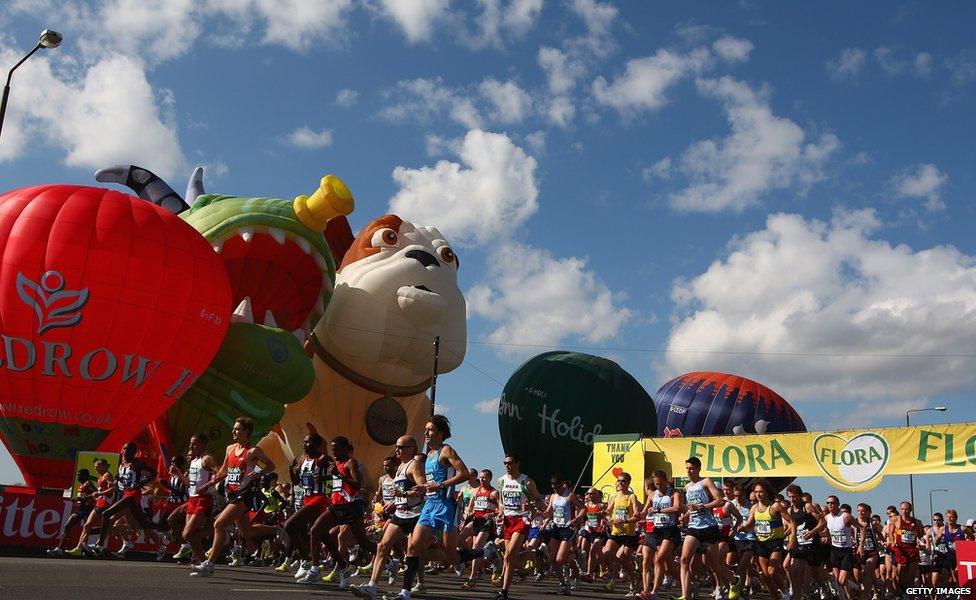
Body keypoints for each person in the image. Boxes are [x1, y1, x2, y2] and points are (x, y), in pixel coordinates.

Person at [386, 415, 496, 600]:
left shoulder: (446, 451)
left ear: (440, 433)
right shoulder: (428, 455)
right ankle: (405, 592)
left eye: (429, 430)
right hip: (429, 506)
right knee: (413, 547)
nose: (426, 433)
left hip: (446, 507)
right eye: (426, 430)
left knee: (451, 556)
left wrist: (441, 485)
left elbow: (464, 474)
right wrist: (422, 488)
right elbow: (428, 483)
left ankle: (485, 551)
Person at [191, 416, 276, 576]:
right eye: (234, 428)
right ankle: (278, 530)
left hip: (244, 495)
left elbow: (271, 465)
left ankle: (209, 565)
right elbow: (223, 470)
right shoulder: (230, 449)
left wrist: (259, 473)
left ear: (246, 432)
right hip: (231, 493)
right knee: (247, 532)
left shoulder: (253, 451)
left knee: (219, 524)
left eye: (237, 429)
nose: (233, 431)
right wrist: (208, 485)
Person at [351, 435, 426, 599]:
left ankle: (411, 588)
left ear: (411, 449)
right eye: (396, 447)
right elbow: (400, 492)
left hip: (416, 514)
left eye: (401, 447)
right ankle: (372, 587)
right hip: (400, 513)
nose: (397, 450)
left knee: (416, 553)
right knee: (382, 546)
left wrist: (404, 495)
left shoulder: (415, 465)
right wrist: (393, 502)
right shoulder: (400, 467)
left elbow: (423, 488)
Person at [301, 436, 376, 586]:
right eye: (332, 449)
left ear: (345, 449)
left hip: (351, 508)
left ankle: (388, 561)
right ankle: (317, 569)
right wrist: (324, 479)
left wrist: (338, 474)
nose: (333, 452)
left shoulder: (350, 462)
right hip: (336, 506)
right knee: (316, 530)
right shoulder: (335, 464)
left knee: (363, 542)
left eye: (336, 449)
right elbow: (335, 483)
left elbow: (356, 484)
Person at [680, 457, 736, 600]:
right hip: (693, 526)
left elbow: (720, 500)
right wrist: (686, 514)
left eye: (691, 468)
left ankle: (734, 581)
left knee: (714, 564)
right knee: (684, 560)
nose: (688, 471)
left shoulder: (705, 481)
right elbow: (691, 506)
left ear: (698, 468)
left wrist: (702, 506)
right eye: (687, 468)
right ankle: (685, 596)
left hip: (709, 526)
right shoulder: (687, 487)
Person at [278, 433, 332, 576]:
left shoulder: (324, 459)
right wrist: (291, 469)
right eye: (304, 442)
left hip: (319, 499)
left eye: (308, 443)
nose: (304, 445)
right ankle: (343, 566)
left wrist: (325, 479)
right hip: (306, 498)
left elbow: (338, 475)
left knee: (289, 525)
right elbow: (296, 482)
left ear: (316, 445)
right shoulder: (302, 459)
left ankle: (304, 561)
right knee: (321, 534)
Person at [93, 442, 157, 554]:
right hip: (124, 494)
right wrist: (118, 479)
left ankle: (100, 545)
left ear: (133, 452)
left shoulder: (137, 463)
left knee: (107, 514)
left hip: (133, 495)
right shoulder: (122, 464)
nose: (125, 450)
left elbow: (154, 473)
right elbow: (121, 482)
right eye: (124, 448)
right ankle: (167, 529)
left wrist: (142, 483)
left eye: (128, 449)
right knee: (141, 524)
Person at [740, 479, 794, 600]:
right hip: (761, 543)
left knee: (771, 572)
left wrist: (792, 539)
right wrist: (741, 527)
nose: (758, 494)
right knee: (765, 576)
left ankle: (785, 591)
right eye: (756, 491)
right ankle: (776, 597)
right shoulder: (754, 508)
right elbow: (749, 524)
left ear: (767, 492)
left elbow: (792, 522)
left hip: (775, 543)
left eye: (761, 491)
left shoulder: (775, 506)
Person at [640, 469, 682, 600]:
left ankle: (654, 593)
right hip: (655, 531)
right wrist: (637, 514)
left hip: (670, 531)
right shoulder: (652, 494)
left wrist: (658, 510)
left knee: (659, 560)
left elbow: (676, 508)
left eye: (661, 484)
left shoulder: (674, 493)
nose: (659, 487)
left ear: (666, 481)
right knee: (657, 563)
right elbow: (644, 512)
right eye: (656, 484)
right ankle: (646, 591)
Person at [180, 433, 217, 566]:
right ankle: (203, 562)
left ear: (202, 445)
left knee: (187, 534)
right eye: (191, 443)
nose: (191, 446)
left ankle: (217, 532)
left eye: (194, 444)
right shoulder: (193, 461)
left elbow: (217, 473)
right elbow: (190, 483)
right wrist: (178, 474)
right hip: (192, 499)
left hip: (203, 499)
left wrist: (207, 485)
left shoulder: (206, 459)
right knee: (191, 535)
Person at [544, 474, 585, 595]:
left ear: (562, 484)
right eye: (553, 487)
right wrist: (536, 509)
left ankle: (575, 555)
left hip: (568, 528)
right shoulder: (553, 496)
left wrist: (577, 519)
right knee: (552, 560)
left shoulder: (570, 495)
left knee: (560, 559)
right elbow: (548, 512)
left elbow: (583, 508)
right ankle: (563, 584)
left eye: (557, 487)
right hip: (556, 528)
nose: (555, 489)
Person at [66, 459, 116, 556]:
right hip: (98, 504)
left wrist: (100, 493)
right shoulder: (100, 477)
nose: (95, 468)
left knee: (105, 526)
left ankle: (92, 546)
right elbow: (99, 492)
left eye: (97, 466)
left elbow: (113, 488)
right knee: (87, 525)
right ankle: (79, 548)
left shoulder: (107, 475)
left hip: (105, 505)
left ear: (103, 466)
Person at [461, 468, 500, 589]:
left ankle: (472, 578)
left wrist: (493, 514)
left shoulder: (494, 493)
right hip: (475, 520)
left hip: (486, 522)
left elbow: (501, 510)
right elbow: (471, 505)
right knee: (459, 540)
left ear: (489, 479)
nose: (482, 479)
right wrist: (468, 513)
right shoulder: (477, 491)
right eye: (481, 477)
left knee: (476, 545)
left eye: (484, 477)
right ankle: (487, 553)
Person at [603, 471, 641, 595]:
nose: (620, 483)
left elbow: (637, 516)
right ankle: (631, 576)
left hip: (629, 534)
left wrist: (625, 520)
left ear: (628, 483)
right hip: (616, 532)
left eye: (623, 481)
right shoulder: (614, 497)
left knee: (625, 560)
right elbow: (608, 513)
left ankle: (633, 585)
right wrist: (608, 520)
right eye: (618, 480)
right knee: (607, 554)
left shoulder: (631, 497)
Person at [784, 484, 825, 600]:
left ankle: (825, 585)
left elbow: (823, 522)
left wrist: (813, 531)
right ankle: (796, 596)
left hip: (812, 544)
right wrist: (789, 535)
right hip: (799, 544)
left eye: (794, 497)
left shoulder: (807, 507)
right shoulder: (790, 510)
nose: (792, 499)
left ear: (800, 496)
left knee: (817, 573)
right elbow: (792, 526)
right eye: (790, 497)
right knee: (795, 570)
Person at [48, 469, 97, 556]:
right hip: (81, 508)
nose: (77, 477)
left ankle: (59, 549)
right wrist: (77, 499)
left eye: (79, 475)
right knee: (89, 530)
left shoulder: (88, 483)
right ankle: (109, 529)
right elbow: (84, 496)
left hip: (86, 509)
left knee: (68, 526)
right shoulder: (81, 485)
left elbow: (95, 494)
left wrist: (81, 499)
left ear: (85, 476)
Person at [824, 495, 857, 600]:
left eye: (832, 503)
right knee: (837, 581)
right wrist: (827, 538)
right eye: (828, 503)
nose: (830, 505)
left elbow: (861, 528)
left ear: (838, 504)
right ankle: (847, 597)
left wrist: (859, 544)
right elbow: (827, 531)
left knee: (842, 581)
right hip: (834, 550)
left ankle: (855, 588)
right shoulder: (827, 517)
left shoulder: (845, 516)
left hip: (846, 551)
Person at [157, 455, 191, 560]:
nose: (172, 465)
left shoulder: (184, 474)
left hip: (181, 503)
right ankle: (173, 536)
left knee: (176, 524)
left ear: (180, 464)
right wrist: (168, 496)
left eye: (174, 462)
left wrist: (167, 486)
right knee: (161, 524)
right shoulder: (172, 476)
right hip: (172, 503)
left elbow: (181, 492)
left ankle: (186, 549)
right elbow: (173, 492)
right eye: (171, 462)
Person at [886, 501, 923, 594]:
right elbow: (890, 532)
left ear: (910, 510)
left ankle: (909, 595)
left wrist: (920, 541)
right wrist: (893, 541)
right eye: (902, 509)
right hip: (900, 550)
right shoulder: (895, 519)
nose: (904, 511)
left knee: (911, 578)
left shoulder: (917, 522)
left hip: (912, 550)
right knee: (900, 574)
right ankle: (902, 591)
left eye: (906, 509)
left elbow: (920, 535)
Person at [579, 488, 609, 584]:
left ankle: (590, 574)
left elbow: (608, 515)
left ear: (597, 495)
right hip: (589, 532)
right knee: (585, 552)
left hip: (599, 532)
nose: (589, 495)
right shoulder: (586, 506)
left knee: (593, 551)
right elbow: (581, 516)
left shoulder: (601, 506)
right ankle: (601, 567)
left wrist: (604, 518)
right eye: (588, 494)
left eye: (592, 494)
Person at [853, 503, 881, 600]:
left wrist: (884, 541)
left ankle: (866, 596)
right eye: (858, 511)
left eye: (863, 511)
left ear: (868, 513)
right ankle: (878, 587)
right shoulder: (854, 522)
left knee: (866, 572)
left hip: (872, 552)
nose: (860, 513)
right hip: (859, 552)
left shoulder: (873, 523)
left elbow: (881, 535)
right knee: (858, 577)